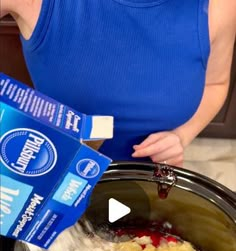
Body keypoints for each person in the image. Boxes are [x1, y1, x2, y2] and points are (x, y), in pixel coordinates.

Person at [1, 0, 236, 165]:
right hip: (48, 176)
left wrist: (182, 135)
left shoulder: (219, 6)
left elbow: (215, 84)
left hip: (149, 183)